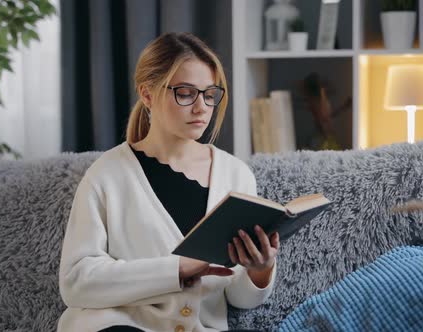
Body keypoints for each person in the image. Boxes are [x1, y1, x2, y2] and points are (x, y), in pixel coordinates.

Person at [58, 32, 279, 332]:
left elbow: (237, 297)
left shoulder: (236, 175)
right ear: (147, 94)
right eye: (186, 93)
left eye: (210, 94)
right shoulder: (106, 174)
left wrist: (260, 270)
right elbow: (76, 282)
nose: (202, 107)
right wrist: (176, 269)